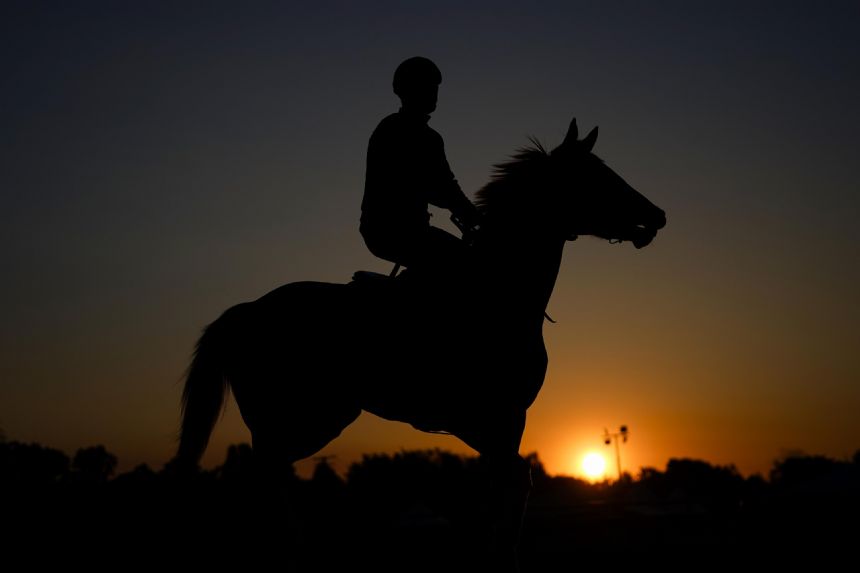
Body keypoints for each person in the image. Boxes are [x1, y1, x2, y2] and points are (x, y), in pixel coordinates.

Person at [360, 56, 480, 278]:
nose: (433, 93)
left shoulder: (421, 134)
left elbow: (444, 187)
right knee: (469, 264)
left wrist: (468, 212)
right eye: (427, 86)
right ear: (410, 90)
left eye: (435, 87)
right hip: (396, 231)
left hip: (403, 230)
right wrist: (472, 215)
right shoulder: (399, 130)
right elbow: (442, 188)